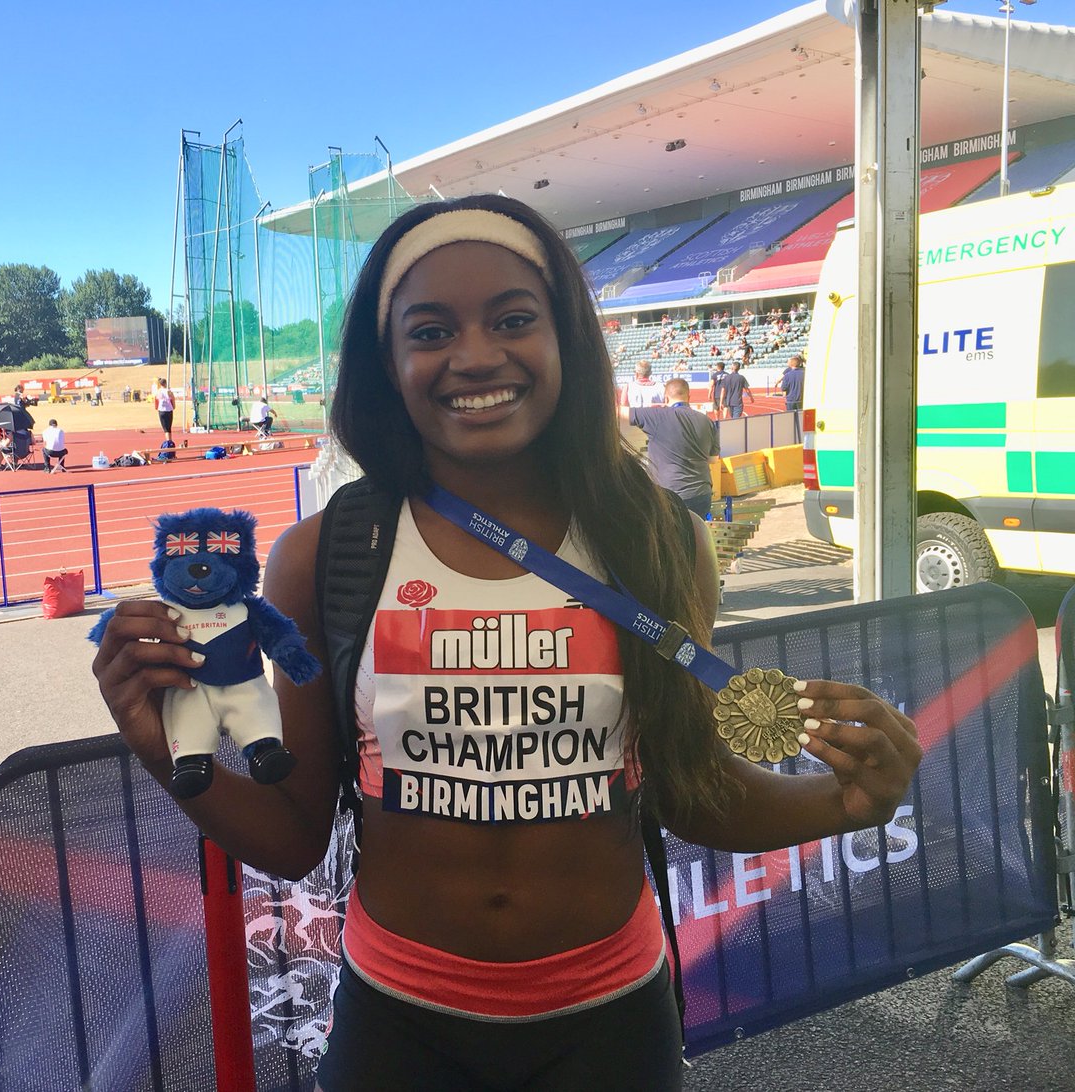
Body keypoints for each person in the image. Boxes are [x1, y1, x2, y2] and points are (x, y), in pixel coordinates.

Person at [92, 195, 920, 1091]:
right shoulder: (323, 556)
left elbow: (691, 791)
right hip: (400, 1026)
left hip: (608, 1025)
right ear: (390, 363)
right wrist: (160, 738)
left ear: (565, 337)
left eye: (514, 320)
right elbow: (295, 839)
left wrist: (844, 803)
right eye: (432, 330)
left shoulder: (658, 540)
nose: (475, 356)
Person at [621, 378, 719, 519]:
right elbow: (713, 459)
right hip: (702, 494)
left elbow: (620, 412)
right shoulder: (707, 421)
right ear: (688, 397)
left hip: (671, 494)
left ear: (665, 397)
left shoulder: (657, 416)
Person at [154, 379, 175, 444]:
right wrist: (173, 406)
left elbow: (156, 400)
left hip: (162, 410)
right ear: (165, 383)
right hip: (169, 410)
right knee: (169, 428)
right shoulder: (168, 391)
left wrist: (156, 407)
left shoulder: (158, 391)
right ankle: (169, 442)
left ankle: (169, 442)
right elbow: (173, 398)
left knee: (166, 430)